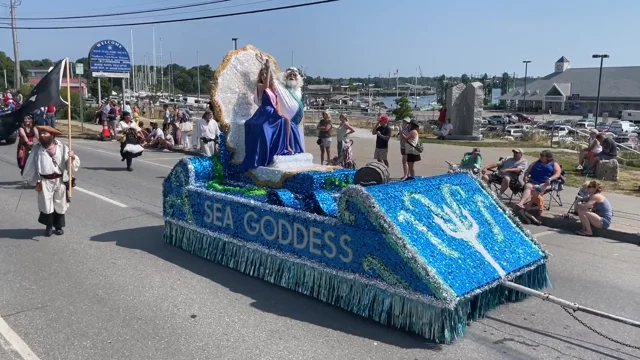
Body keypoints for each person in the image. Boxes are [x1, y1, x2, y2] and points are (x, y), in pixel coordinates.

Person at [241, 59, 304, 169]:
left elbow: (277, 102)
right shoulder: (260, 86)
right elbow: (266, 86)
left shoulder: (273, 89)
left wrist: (280, 113)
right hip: (264, 113)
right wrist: (268, 68)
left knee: (287, 120)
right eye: (263, 74)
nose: (265, 76)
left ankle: (287, 146)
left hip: (272, 112)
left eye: (266, 74)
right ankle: (266, 154)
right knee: (264, 127)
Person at [22, 125, 80, 237]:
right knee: (46, 205)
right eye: (41, 133)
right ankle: (48, 226)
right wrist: (26, 178)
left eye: (45, 133)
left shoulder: (62, 147)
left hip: (59, 180)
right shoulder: (37, 148)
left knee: (60, 203)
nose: (42, 135)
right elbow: (30, 164)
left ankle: (58, 226)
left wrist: (72, 158)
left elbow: (71, 165)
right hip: (44, 181)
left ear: (52, 135)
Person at [275, 67, 306, 153]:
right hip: (285, 121)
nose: (292, 76)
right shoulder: (279, 86)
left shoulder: (298, 89)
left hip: (297, 122)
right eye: (290, 74)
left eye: (294, 75)